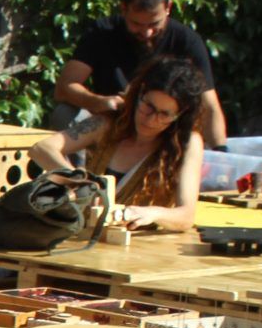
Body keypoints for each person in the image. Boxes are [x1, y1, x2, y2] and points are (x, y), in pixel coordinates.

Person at [30, 56, 205, 234]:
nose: (151, 120)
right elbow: (41, 149)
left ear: (180, 115)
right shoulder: (107, 124)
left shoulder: (188, 144)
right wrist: (78, 182)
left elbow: (186, 216)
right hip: (81, 236)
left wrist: (152, 214)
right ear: (140, 93)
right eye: (149, 107)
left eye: (165, 114)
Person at [55, 0, 225, 147]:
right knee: (64, 113)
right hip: (111, 121)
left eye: (154, 24)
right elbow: (64, 88)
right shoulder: (102, 32)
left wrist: (222, 154)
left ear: (168, 7)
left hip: (163, 128)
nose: (146, 33)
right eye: (136, 24)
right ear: (123, 9)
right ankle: (74, 173)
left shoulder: (187, 41)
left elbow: (209, 106)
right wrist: (98, 102)